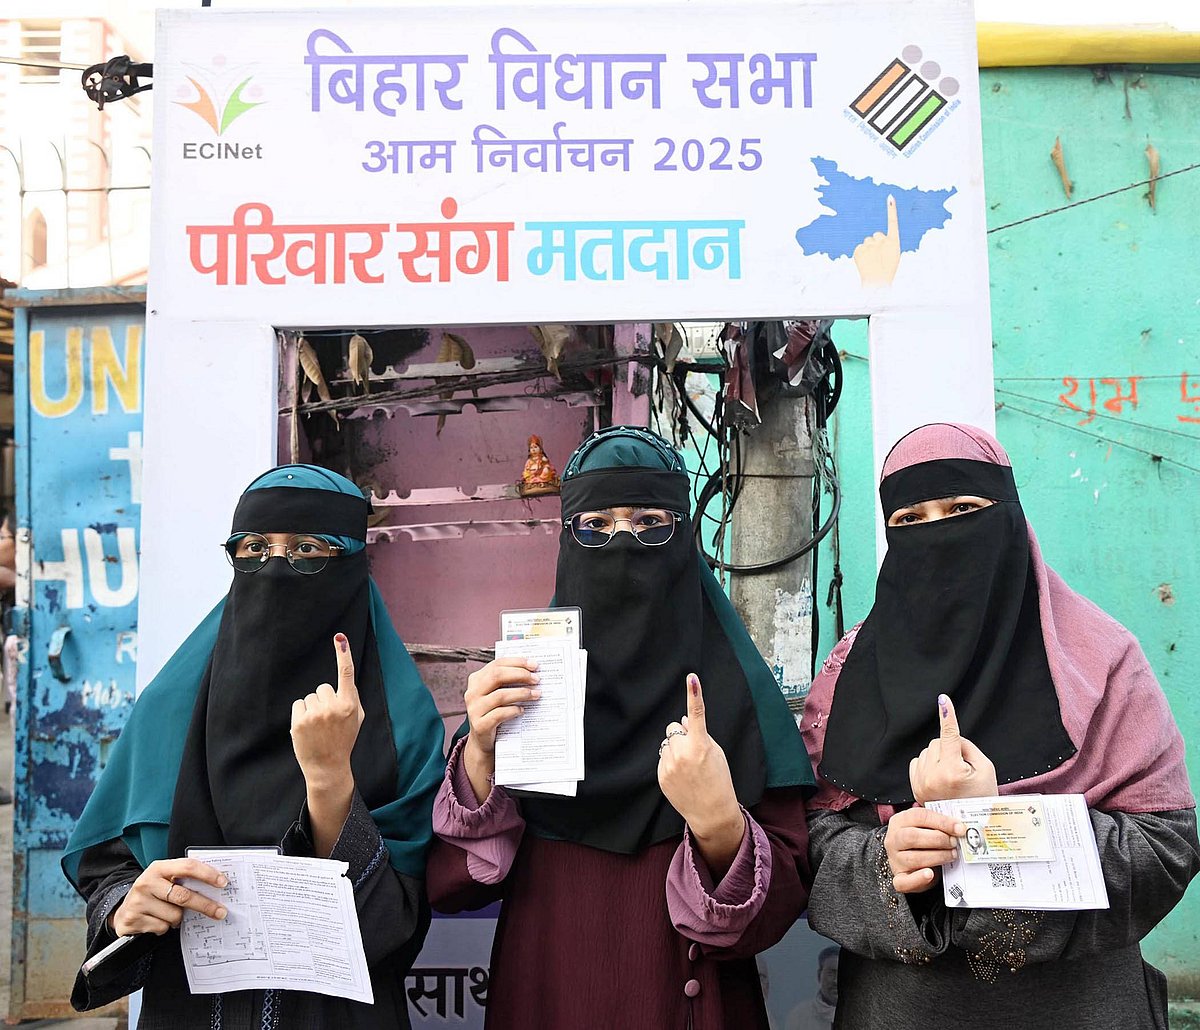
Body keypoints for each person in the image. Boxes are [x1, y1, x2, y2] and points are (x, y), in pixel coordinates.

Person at [802, 423, 1198, 1030]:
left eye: (963, 508)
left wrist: (994, 825)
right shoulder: (850, 674)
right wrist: (889, 860)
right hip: (901, 1012)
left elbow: (1167, 847)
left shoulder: (1101, 662)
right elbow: (813, 841)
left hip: (1078, 1010)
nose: (939, 533)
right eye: (911, 519)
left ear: (1010, 516)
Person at [427, 425, 815, 1029]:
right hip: (548, 993)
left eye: (651, 524)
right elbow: (454, 885)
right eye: (597, 527)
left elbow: (783, 902)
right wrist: (481, 751)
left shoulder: (735, 698)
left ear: (684, 537)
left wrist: (717, 822)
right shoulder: (524, 689)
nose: (624, 546)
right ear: (566, 540)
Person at [62, 465, 446, 1029]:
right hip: (189, 1008)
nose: (275, 567)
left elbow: (397, 920)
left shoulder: (399, 724)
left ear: (353, 564)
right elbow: (109, 863)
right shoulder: (171, 706)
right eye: (254, 547)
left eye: (309, 548)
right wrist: (125, 904)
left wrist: (329, 777)